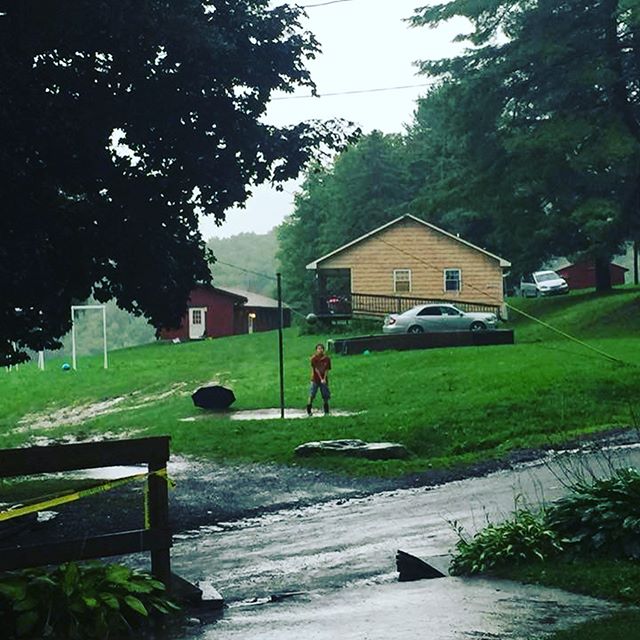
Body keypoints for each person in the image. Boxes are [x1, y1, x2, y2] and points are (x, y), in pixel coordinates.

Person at [307, 343, 331, 416]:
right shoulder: (314, 359)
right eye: (319, 349)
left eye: (321, 349)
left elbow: (327, 369)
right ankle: (309, 410)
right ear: (316, 350)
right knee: (312, 394)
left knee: (325, 395)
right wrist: (321, 379)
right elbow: (316, 369)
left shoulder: (327, 359)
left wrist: (324, 379)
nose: (320, 350)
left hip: (324, 380)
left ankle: (326, 411)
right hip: (315, 379)